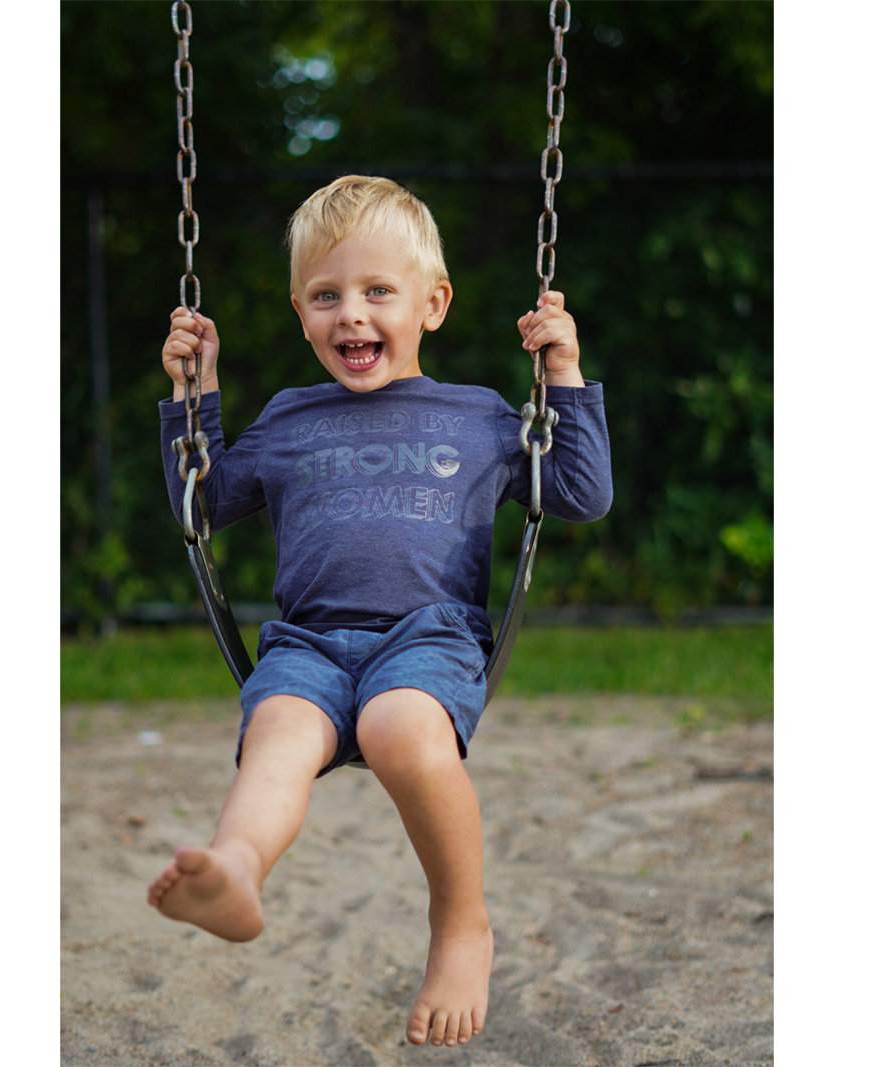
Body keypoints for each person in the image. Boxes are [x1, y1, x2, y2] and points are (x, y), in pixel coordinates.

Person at [147, 175, 612, 1048]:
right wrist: (192, 397)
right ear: (299, 311)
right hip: (308, 645)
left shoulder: (476, 415)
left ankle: (462, 925)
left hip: (427, 640)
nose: (350, 315)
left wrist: (566, 375)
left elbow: (579, 493)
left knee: (402, 726)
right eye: (326, 296)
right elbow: (196, 507)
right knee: (278, 736)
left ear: (432, 304)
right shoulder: (290, 417)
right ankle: (236, 870)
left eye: (376, 292)